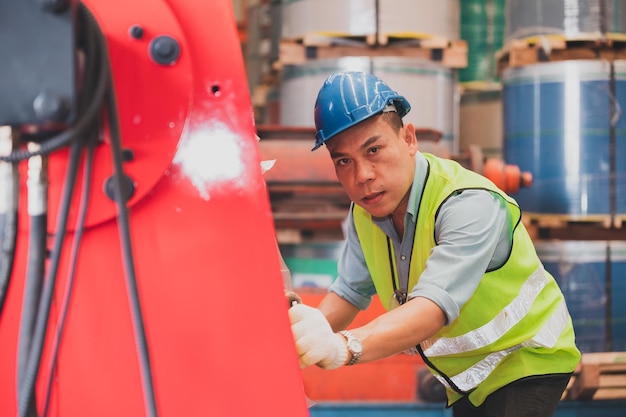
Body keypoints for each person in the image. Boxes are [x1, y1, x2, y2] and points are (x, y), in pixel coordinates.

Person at [288, 71, 581, 417]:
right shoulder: (364, 213)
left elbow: (431, 309)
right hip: (466, 377)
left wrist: (343, 346)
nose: (362, 175)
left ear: (409, 139)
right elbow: (349, 293)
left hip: (528, 357)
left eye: (374, 150)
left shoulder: (466, 203)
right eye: (343, 161)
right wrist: (296, 338)